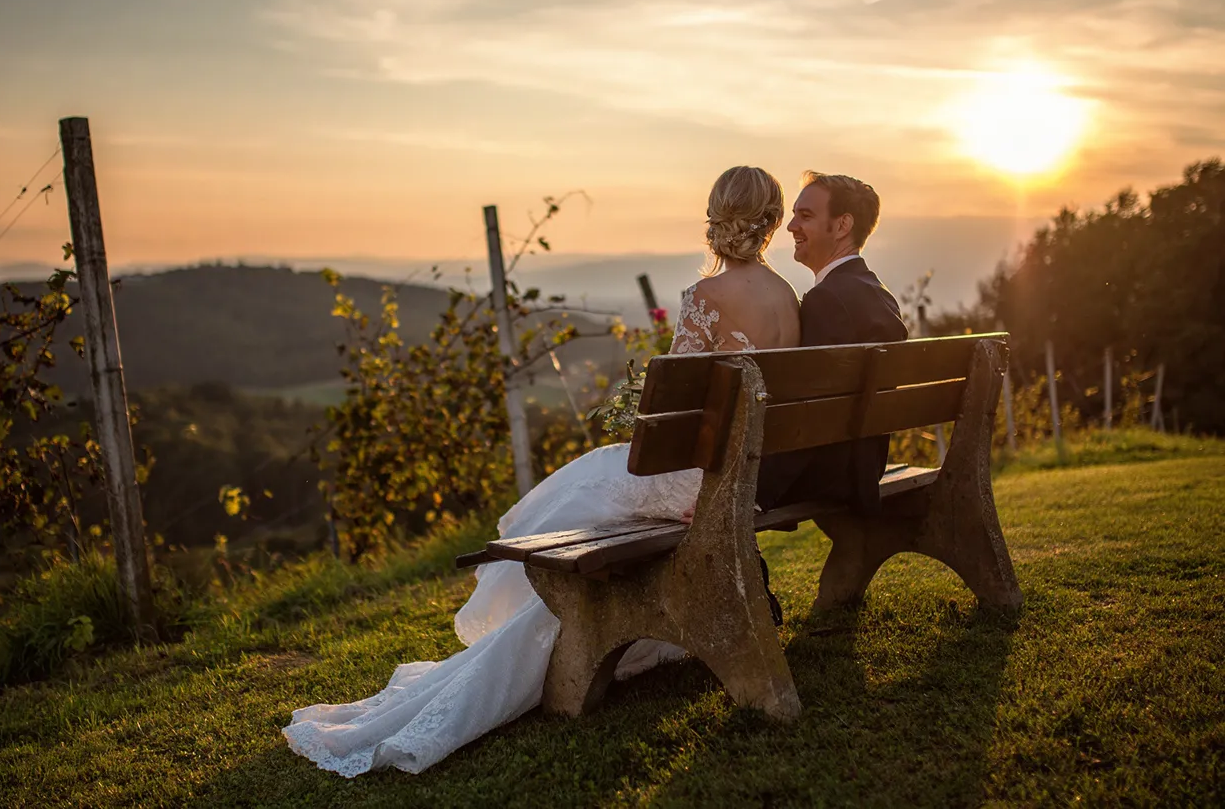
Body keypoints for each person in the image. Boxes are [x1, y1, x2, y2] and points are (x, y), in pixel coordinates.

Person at [282, 166, 801, 777]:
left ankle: (536, 623)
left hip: (697, 480)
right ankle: (573, 619)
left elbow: (670, 417)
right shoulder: (787, 298)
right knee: (590, 485)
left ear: (717, 215)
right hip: (746, 477)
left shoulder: (704, 298)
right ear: (771, 219)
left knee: (585, 484)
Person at [754, 171, 909, 516]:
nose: (791, 226)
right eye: (794, 214)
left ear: (841, 226)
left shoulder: (827, 300)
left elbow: (808, 417)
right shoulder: (879, 295)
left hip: (831, 477)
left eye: (805, 216)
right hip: (864, 468)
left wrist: (755, 493)